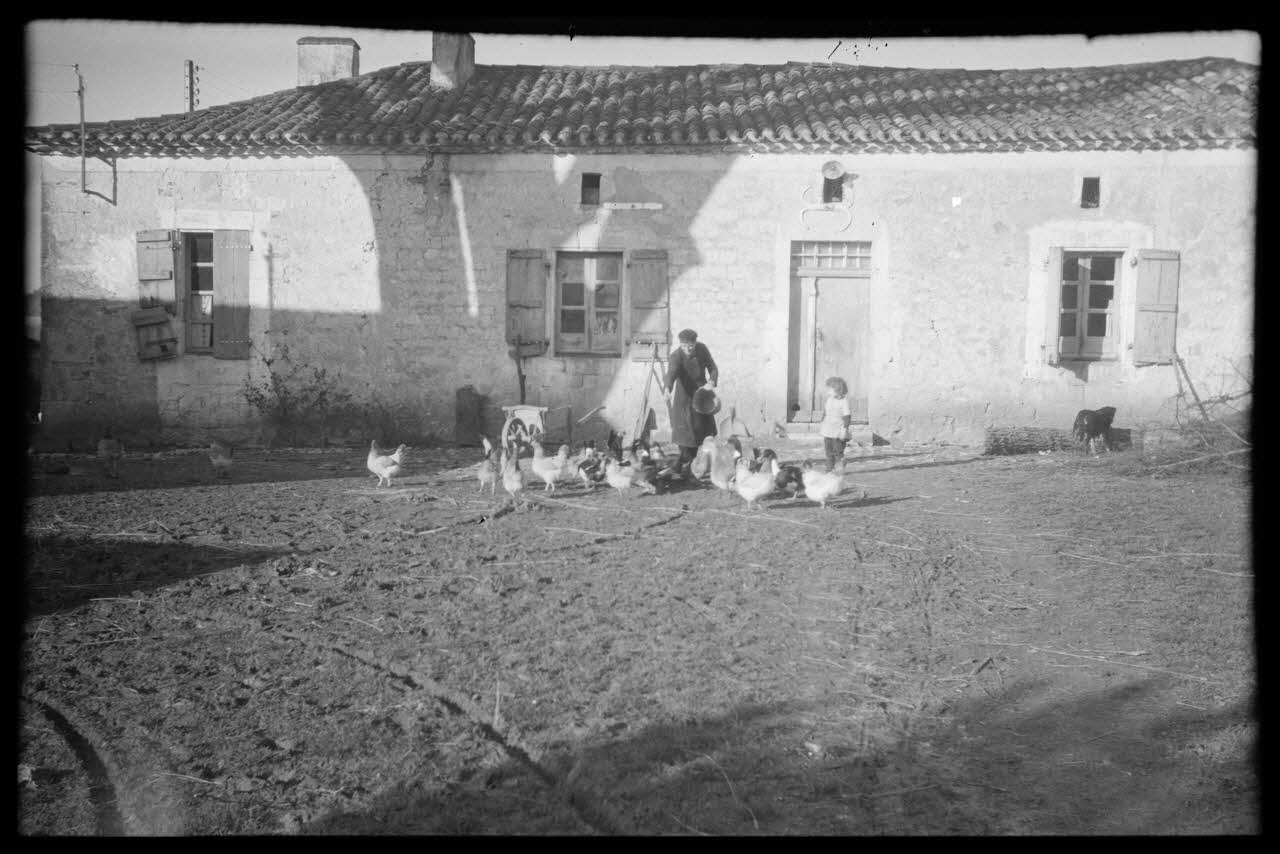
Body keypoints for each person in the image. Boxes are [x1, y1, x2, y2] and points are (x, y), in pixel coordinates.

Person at [664, 329, 718, 479]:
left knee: (701, 435)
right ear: (680, 344)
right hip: (683, 401)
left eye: (691, 346)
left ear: (695, 343)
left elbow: (713, 367)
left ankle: (688, 468)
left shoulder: (702, 349)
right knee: (686, 438)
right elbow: (671, 373)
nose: (688, 349)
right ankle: (682, 469)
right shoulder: (676, 356)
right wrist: (667, 388)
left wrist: (711, 382)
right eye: (684, 346)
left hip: (701, 398)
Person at [820, 376, 852, 472]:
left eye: (830, 389)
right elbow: (826, 410)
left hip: (838, 431)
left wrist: (844, 430)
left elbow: (847, 417)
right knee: (828, 451)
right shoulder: (830, 399)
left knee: (837, 450)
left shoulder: (844, 402)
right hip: (828, 429)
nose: (827, 391)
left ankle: (840, 465)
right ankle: (829, 469)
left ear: (838, 390)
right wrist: (822, 421)